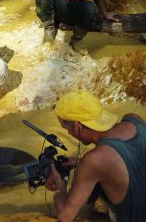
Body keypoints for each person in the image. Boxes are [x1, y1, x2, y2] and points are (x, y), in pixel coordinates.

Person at [47, 89, 146, 222]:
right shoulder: (134, 120)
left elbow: (65, 217)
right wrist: (80, 162)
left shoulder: (94, 160)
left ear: (77, 126)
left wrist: (60, 184)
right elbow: (133, 163)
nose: (70, 133)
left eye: (67, 129)